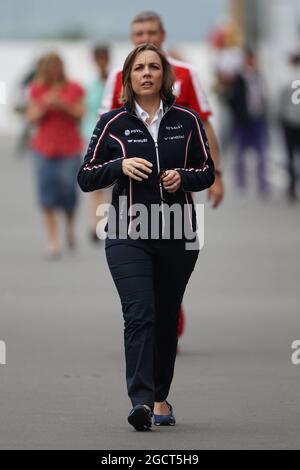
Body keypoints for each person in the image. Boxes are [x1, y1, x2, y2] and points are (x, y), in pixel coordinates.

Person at [77, 44, 215, 431]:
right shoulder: (111, 122)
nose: (147, 73)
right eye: (139, 68)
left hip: (178, 230)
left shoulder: (187, 120)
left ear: (165, 76)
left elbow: (207, 171)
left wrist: (182, 178)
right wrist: (118, 165)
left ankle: (159, 398)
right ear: (128, 77)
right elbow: (86, 176)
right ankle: (139, 401)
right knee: (140, 313)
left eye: (154, 66)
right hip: (127, 229)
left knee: (166, 317)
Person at [99, 10, 224, 343]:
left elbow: (205, 124)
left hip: (178, 186)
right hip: (131, 196)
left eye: (151, 32)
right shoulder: (118, 77)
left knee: (170, 269)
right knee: (138, 275)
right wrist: (105, 180)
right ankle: (146, 325)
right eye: (138, 33)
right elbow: (103, 137)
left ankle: (169, 321)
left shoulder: (186, 74)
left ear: (163, 34)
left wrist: (217, 174)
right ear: (131, 38)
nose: (145, 38)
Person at [27, 52, 85, 258]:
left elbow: (80, 114)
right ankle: (53, 239)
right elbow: (31, 117)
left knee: (69, 192)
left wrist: (62, 104)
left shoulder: (74, 87)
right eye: (49, 68)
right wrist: (45, 104)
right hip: (43, 148)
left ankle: (69, 228)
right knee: (46, 193)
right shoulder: (36, 88)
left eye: (56, 67)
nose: (53, 72)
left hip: (69, 148)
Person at [225, 47, 269, 196]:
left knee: (262, 153)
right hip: (242, 121)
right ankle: (240, 185)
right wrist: (239, 113)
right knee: (239, 154)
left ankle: (263, 185)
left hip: (257, 118)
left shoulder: (258, 76)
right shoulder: (238, 77)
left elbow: (263, 96)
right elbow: (231, 99)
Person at [82, 45, 112, 241]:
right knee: (95, 185)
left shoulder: (114, 81)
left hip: (111, 138)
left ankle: (108, 221)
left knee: (112, 184)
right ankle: (95, 224)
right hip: (91, 136)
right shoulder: (91, 85)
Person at [278, 51, 300, 202]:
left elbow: (279, 102)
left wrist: (278, 118)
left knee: (290, 155)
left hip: (289, 121)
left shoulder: (285, 79)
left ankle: (292, 186)